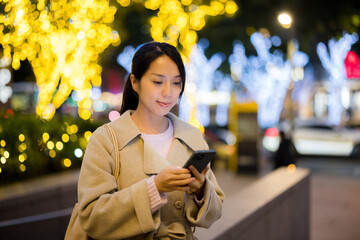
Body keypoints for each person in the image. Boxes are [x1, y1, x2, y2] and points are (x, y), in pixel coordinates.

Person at [77, 42, 225, 239]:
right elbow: (91, 216)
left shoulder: (192, 137)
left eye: (176, 82)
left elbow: (216, 212)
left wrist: (199, 191)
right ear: (135, 82)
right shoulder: (106, 139)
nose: (168, 92)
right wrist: (153, 188)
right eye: (157, 82)